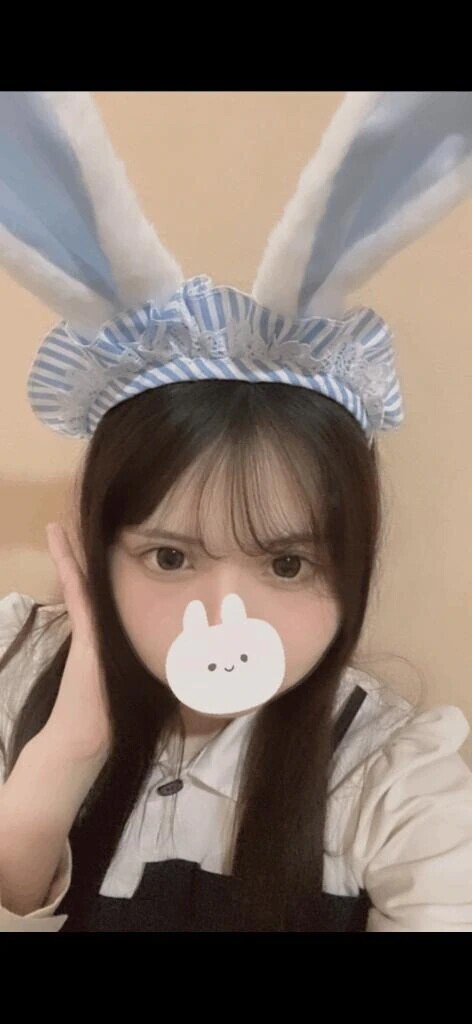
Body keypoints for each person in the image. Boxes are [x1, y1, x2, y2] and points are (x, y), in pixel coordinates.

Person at [1, 91, 472, 932]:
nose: (227, 620)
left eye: (286, 563)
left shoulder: (395, 784)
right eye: (170, 557)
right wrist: (58, 762)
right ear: (99, 548)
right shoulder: (11, 671)